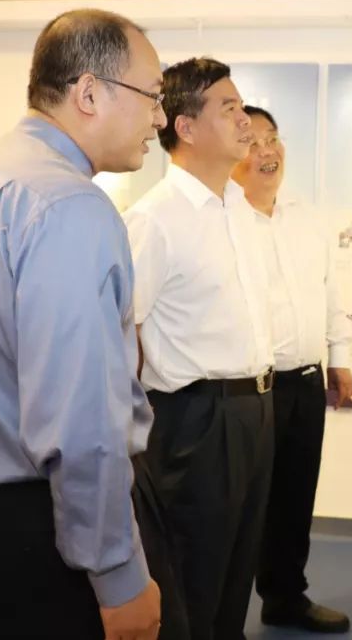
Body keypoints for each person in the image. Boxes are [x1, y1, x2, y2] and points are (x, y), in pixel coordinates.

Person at [0, 8, 187, 640]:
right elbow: (83, 424)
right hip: (58, 532)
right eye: (152, 95)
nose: (160, 119)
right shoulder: (70, 209)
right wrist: (118, 576)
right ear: (89, 93)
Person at [124, 58, 274, 640]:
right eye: (229, 108)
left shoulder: (239, 207)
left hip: (254, 410)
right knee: (192, 574)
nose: (245, 121)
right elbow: (120, 328)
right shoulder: (154, 219)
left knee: (238, 567)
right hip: (195, 421)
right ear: (185, 127)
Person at [231, 105, 352, 633]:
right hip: (250, 389)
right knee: (242, 507)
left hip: (305, 383)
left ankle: (285, 597)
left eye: (274, 139)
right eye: (253, 142)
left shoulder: (307, 216)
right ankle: (221, 614)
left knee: (295, 496)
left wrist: (339, 359)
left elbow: (330, 293)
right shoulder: (225, 220)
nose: (267, 151)